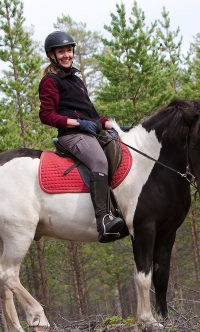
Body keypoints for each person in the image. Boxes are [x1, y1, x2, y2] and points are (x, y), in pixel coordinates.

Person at [39, 31, 125, 243]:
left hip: (89, 130)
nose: (67, 55)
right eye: (62, 52)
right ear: (52, 55)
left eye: (69, 50)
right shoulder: (50, 81)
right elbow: (46, 115)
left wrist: (115, 126)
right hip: (72, 135)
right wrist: (77, 123)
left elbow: (92, 114)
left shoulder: (76, 80)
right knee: (98, 161)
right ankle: (104, 219)